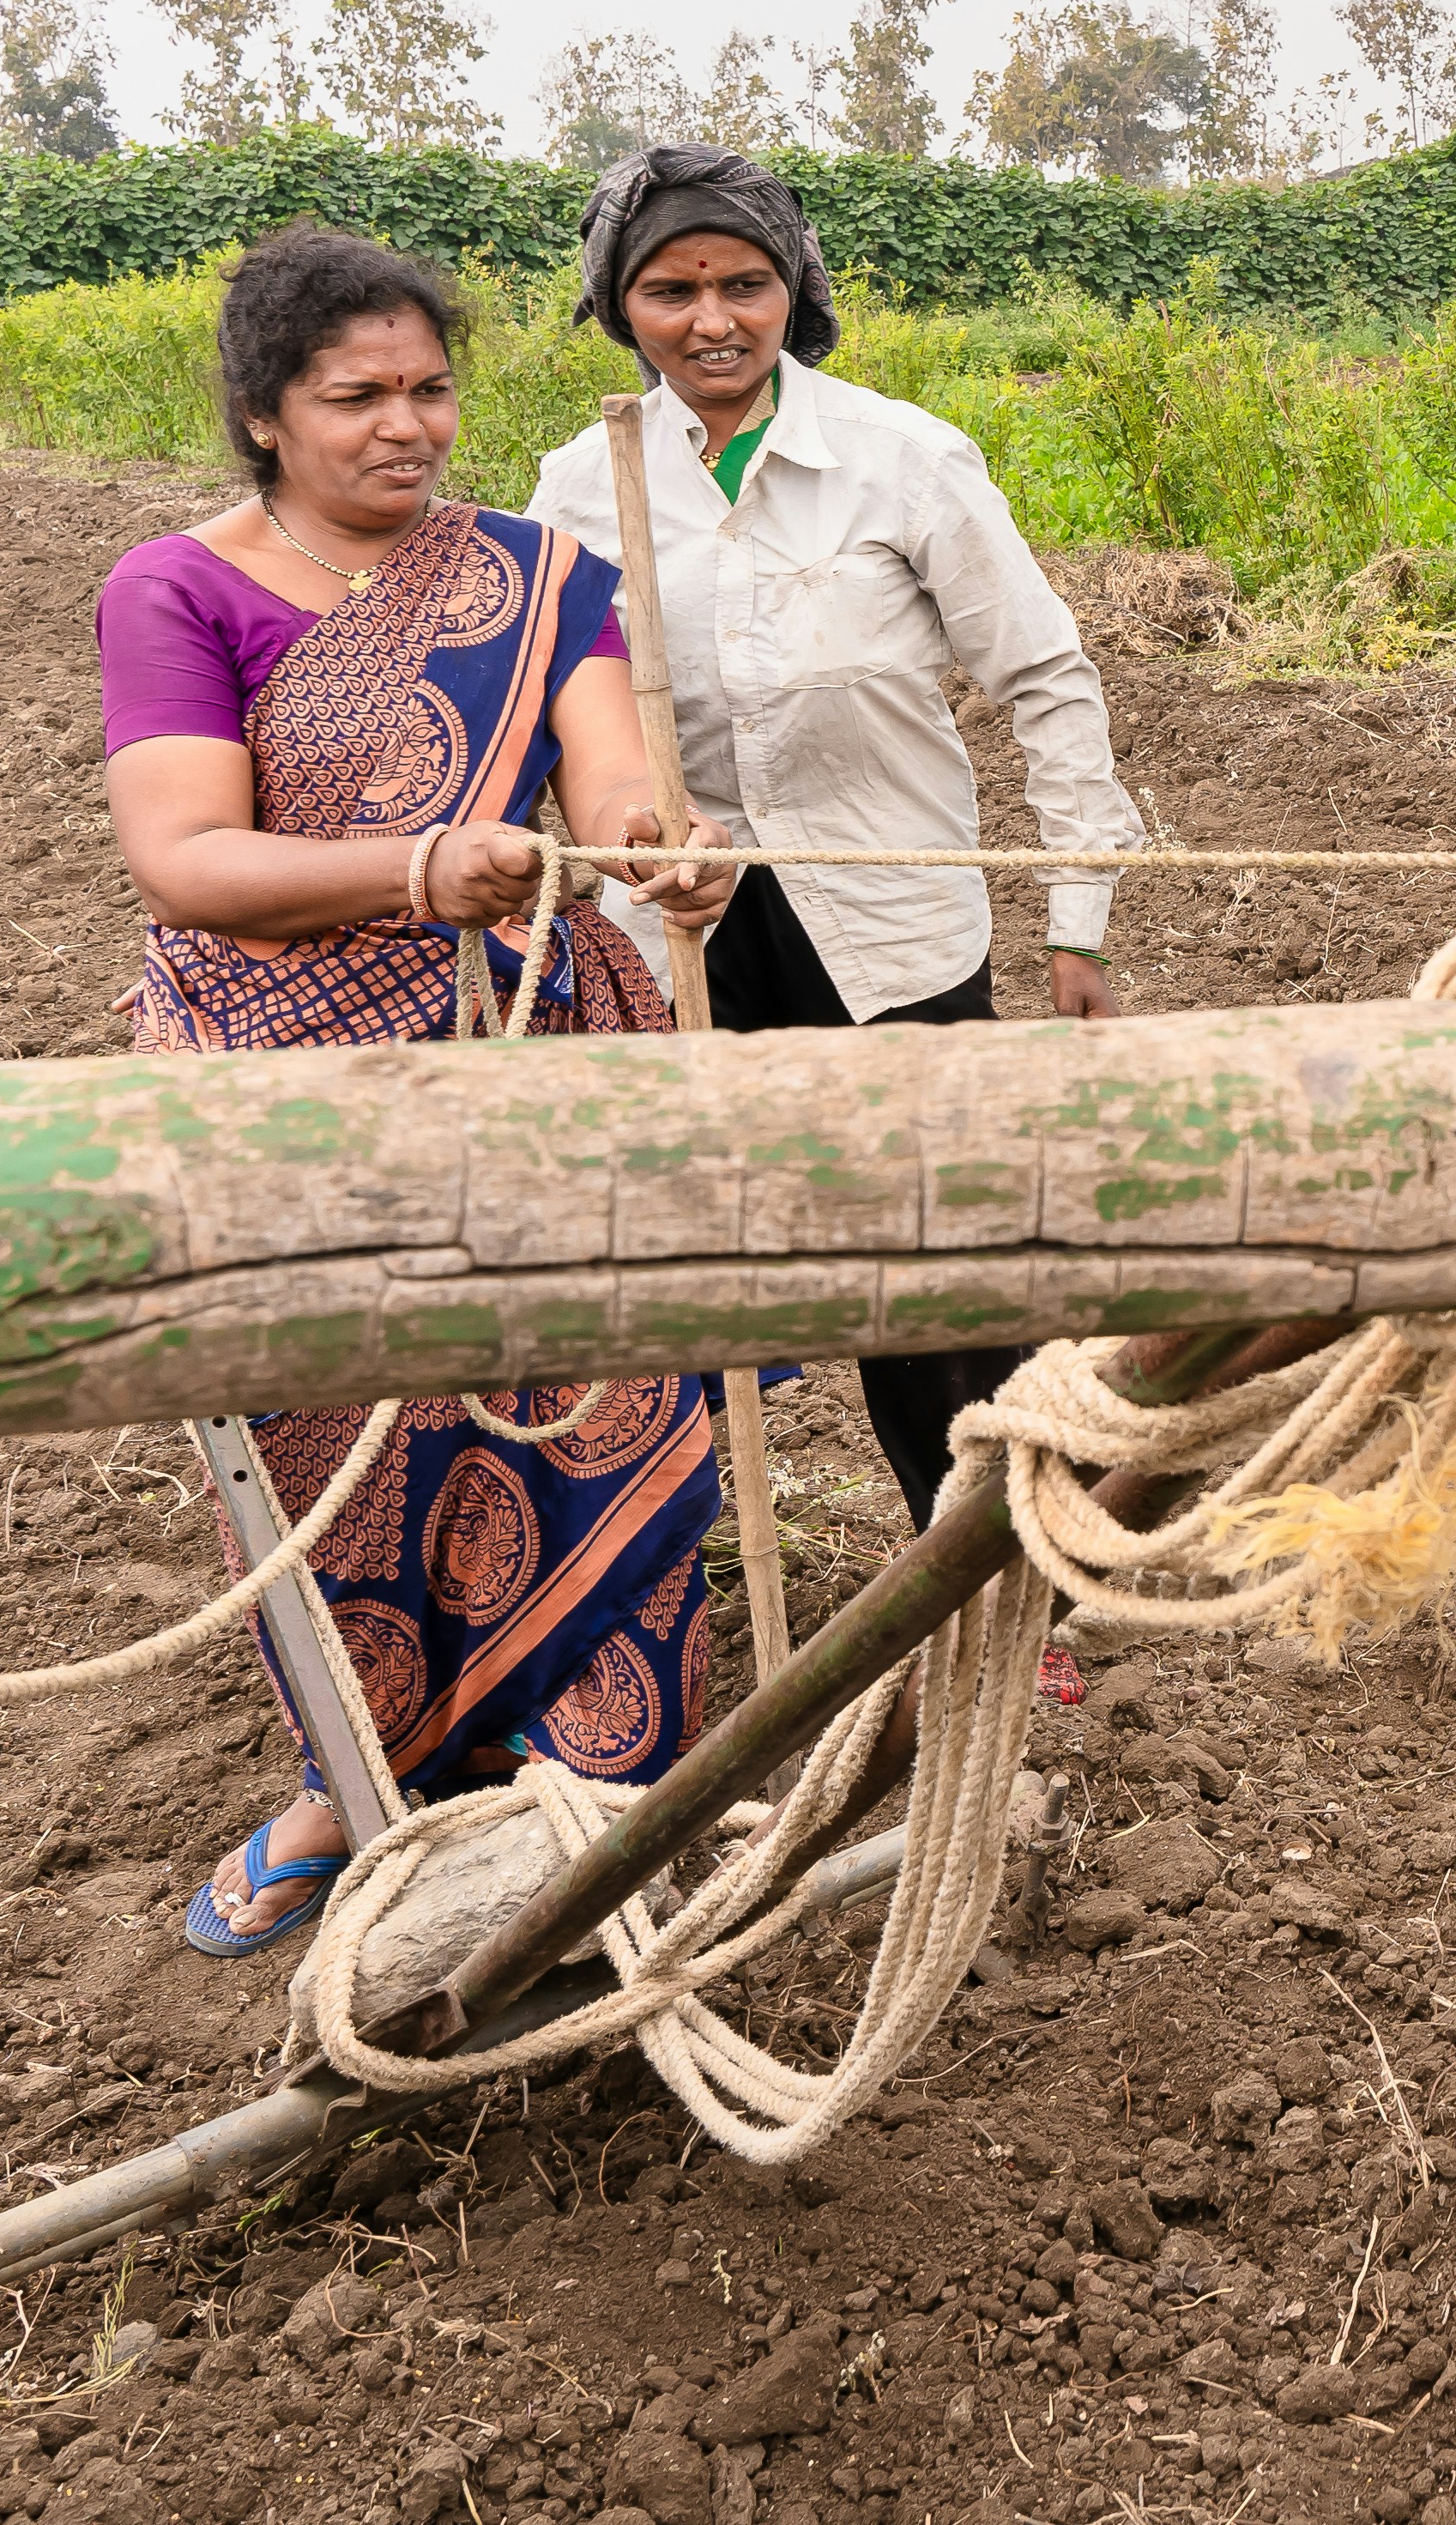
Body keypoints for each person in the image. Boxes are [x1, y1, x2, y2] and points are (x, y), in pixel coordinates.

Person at [100, 221, 752, 1956]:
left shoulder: (545, 572)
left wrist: (669, 853)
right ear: (263, 415)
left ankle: (610, 1790)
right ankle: (358, 1774)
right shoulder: (177, 588)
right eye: (356, 396)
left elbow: (609, 786)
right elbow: (184, 856)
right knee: (347, 1454)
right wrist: (413, 870)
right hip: (280, 1082)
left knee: (602, 1404)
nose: (407, 425)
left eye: (431, 388)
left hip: (536, 1055)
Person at [526, 146, 1147, 1697]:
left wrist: (1078, 920)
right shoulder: (576, 484)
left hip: (889, 936)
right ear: (620, 307)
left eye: (743, 283)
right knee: (674, 1276)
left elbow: (1045, 683)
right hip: (669, 938)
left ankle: (1012, 1604)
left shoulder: (903, 460)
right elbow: (548, 706)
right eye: (671, 290)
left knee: (935, 1294)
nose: (712, 318)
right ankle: (638, 1603)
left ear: (795, 287)